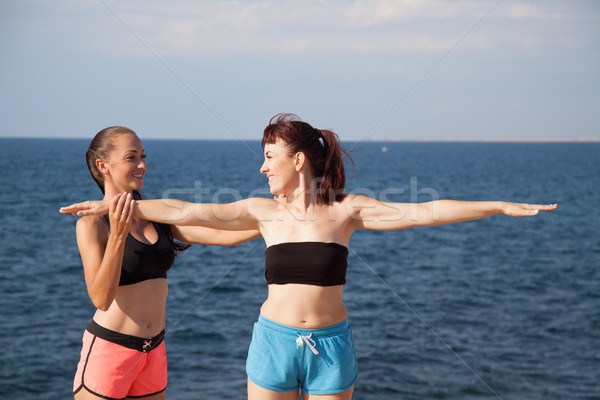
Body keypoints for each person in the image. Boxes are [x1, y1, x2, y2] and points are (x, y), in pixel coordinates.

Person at [61, 115, 557, 400]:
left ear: (297, 161)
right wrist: (112, 205)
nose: (261, 167)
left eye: (269, 156)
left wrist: (495, 206)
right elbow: (186, 209)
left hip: (332, 346)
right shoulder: (261, 211)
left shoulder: (348, 211)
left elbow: (423, 211)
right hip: (273, 342)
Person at [68, 126, 259, 400]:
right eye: (131, 157)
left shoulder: (155, 218)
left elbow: (222, 235)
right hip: (111, 348)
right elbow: (100, 298)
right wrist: (118, 238)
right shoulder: (92, 225)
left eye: (143, 156)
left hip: (153, 349)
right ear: (103, 166)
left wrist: (272, 223)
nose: (142, 165)